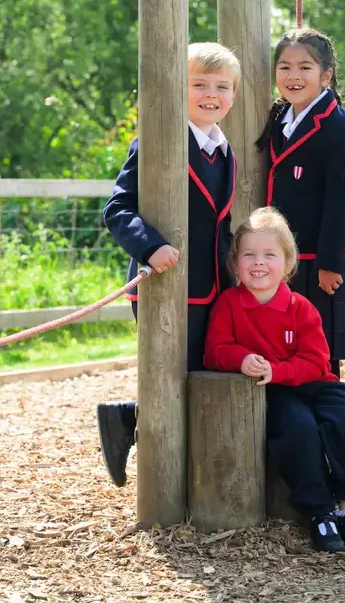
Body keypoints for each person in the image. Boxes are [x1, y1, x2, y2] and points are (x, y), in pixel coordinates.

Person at [97, 42, 240, 487]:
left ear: (233, 95)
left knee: (198, 374)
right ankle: (161, 475)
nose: (210, 94)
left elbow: (221, 221)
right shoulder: (156, 143)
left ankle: (128, 420)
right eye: (199, 84)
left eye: (221, 86)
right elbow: (118, 209)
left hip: (213, 285)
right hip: (163, 282)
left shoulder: (226, 151)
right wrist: (150, 246)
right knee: (170, 377)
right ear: (179, 89)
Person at [204, 208, 345, 553]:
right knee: (297, 429)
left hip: (315, 384)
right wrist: (242, 359)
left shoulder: (300, 307)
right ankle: (319, 512)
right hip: (275, 393)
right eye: (248, 254)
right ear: (235, 262)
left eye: (270, 255)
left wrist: (277, 369)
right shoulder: (229, 304)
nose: (258, 263)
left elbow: (315, 362)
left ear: (288, 262)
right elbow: (215, 351)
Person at [255, 28, 345, 379]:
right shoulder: (278, 118)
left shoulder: (340, 127)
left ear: (326, 75)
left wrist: (331, 264)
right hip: (278, 257)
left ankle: (327, 426)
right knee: (281, 349)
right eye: (284, 67)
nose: (293, 76)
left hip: (318, 263)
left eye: (304, 67)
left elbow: (341, 201)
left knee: (320, 357)